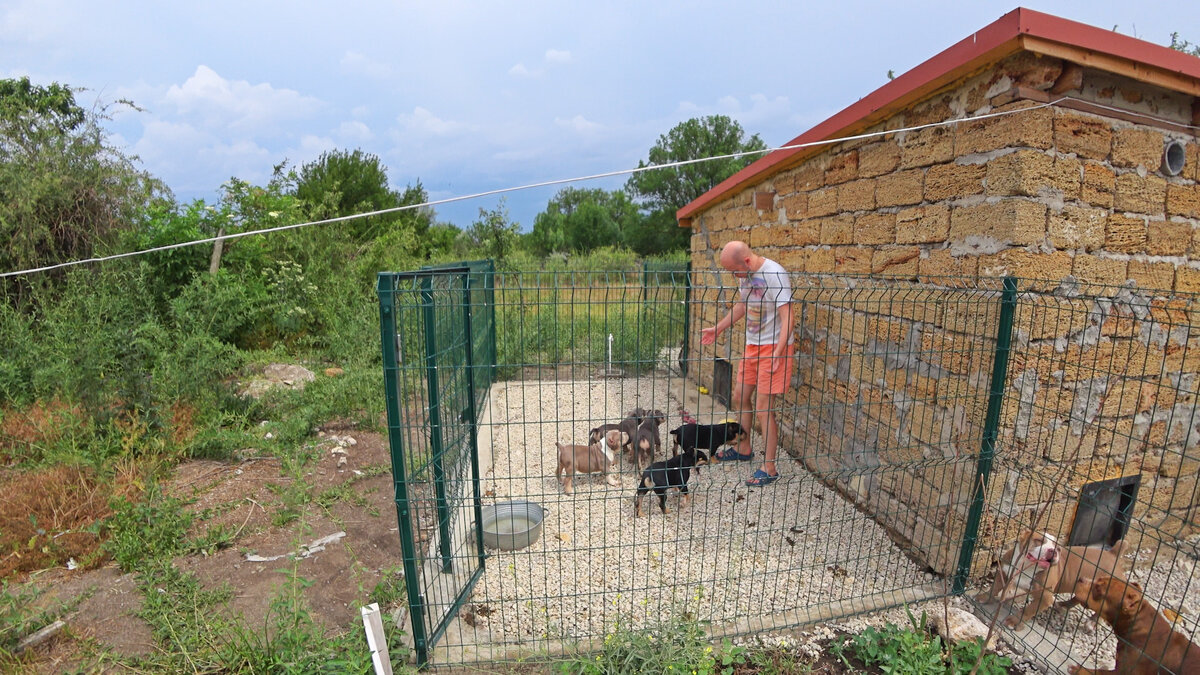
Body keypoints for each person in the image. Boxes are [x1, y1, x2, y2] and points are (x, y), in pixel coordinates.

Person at [699, 240, 795, 487]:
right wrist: (718, 328)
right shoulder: (746, 274)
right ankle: (743, 448)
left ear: (747, 262)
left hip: (774, 348)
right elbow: (743, 305)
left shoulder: (775, 274)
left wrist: (778, 353)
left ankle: (770, 467)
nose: (734, 276)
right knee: (740, 395)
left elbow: (788, 317)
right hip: (753, 346)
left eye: (734, 271)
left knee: (764, 407)